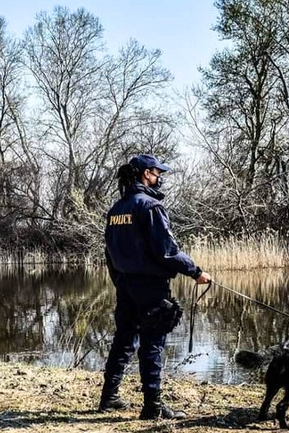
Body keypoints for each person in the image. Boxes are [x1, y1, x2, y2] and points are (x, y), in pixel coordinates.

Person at [98, 154, 212, 420]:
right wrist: (195, 272)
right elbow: (167, 252)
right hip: (149, 286)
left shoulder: (116, 210)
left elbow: (109, 253)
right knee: (152, 343)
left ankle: (108, 397)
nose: (160, 177)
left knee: (123, 340)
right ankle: (153, 407)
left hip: (125, 284)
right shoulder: (149, 207)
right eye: (157, 172)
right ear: (146, 174)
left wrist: (120, 282)